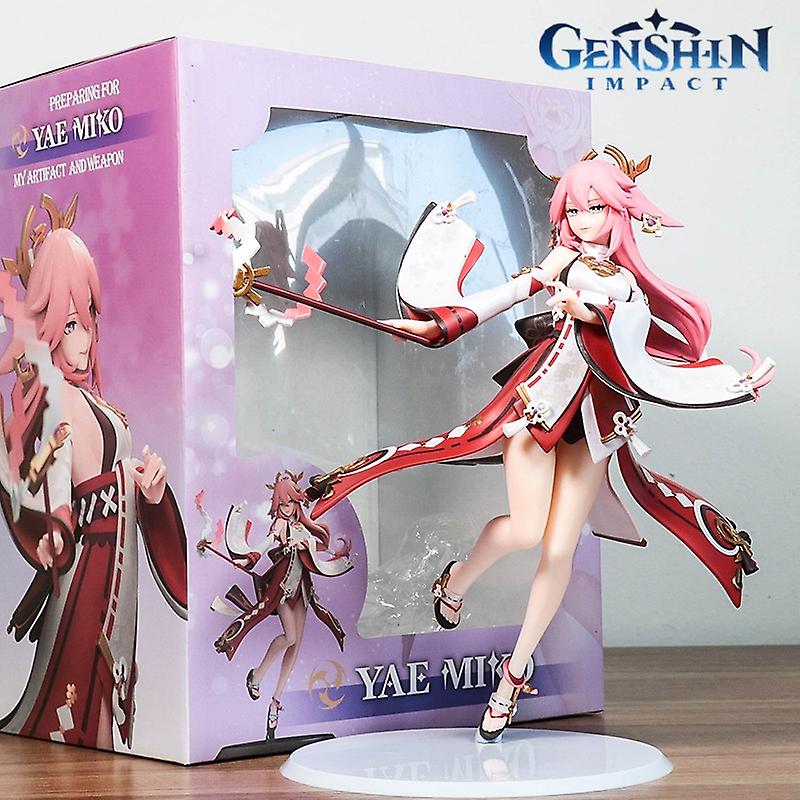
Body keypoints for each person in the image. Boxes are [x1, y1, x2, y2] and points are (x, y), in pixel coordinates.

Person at [302, 147, 773, 743]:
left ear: (619, 211)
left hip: (597, 422)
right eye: (574, 210)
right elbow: (509, 292)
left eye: (595, 208)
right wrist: (440, 324)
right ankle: (456, 580)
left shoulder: (628, 284)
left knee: (559, 550)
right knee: (525, 531)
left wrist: (723, 383)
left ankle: (514, 674)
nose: (584, 220)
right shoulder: (564, 259)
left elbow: (633, 342)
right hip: (540, 405)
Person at [0, 194, 187, 750]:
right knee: (80, 692)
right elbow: (61, 479)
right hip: (91, 566)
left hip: (114, 560)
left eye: (87, 323)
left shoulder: (91, 400)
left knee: (101, 697)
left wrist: (148, 489)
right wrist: (70, 517)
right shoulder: (57, 397)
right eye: (69, 324)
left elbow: (106, 477)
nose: (81, 341)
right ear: (48, 327)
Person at [210, 471, 352, 739]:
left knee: (295, 646)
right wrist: (249, 558)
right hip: (283, 587)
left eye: (290, 503)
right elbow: (265, 545)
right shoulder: (279, 525)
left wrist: (329, 551)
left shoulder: (301, 523)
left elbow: (317, 537)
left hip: (302, 588)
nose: (287, 508)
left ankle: (276, 700)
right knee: (290, 637)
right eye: (283, 504)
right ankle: (257, 675)